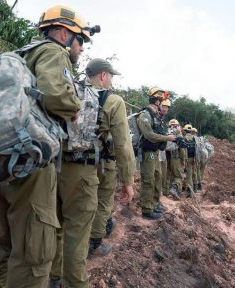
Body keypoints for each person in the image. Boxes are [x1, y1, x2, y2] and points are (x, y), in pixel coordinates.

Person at [0, 5, 93, 288]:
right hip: (31, 164)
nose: (81, 49)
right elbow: (56, 94)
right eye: (80, 40)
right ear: (63, 33)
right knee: (35, 250)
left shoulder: (21, 54)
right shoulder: (53, 52)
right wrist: (76, 107)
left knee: (0, 243)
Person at [86, 58, 135, 257]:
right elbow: (123, 144)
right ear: (103, 75)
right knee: (103, 202)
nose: (112, 81)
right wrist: (128, 180)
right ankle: (94, 243)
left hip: (68, 163)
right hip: (102, 163)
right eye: (111, 76)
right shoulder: (113, 100)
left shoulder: (71, 91)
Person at [137, 87, 176, 220]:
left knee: (157, 177)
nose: (161, 106)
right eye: (160, 101)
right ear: (157, 101)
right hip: (148, 152)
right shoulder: (145, 115)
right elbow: (148, 135)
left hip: (155, 151)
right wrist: (167, 138)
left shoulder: (155, 116)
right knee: (148, 180)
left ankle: (154, 203)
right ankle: (147, 210)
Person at [166, 119, 187, 200]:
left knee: (169, 176)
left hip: (166, 158)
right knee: (179, 176)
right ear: (177, 126)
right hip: (176, 158)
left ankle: (166, 193)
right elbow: (182, 149)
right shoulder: (179, 134)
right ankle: (174, 190)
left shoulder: (166, 132)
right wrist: (183, 160)